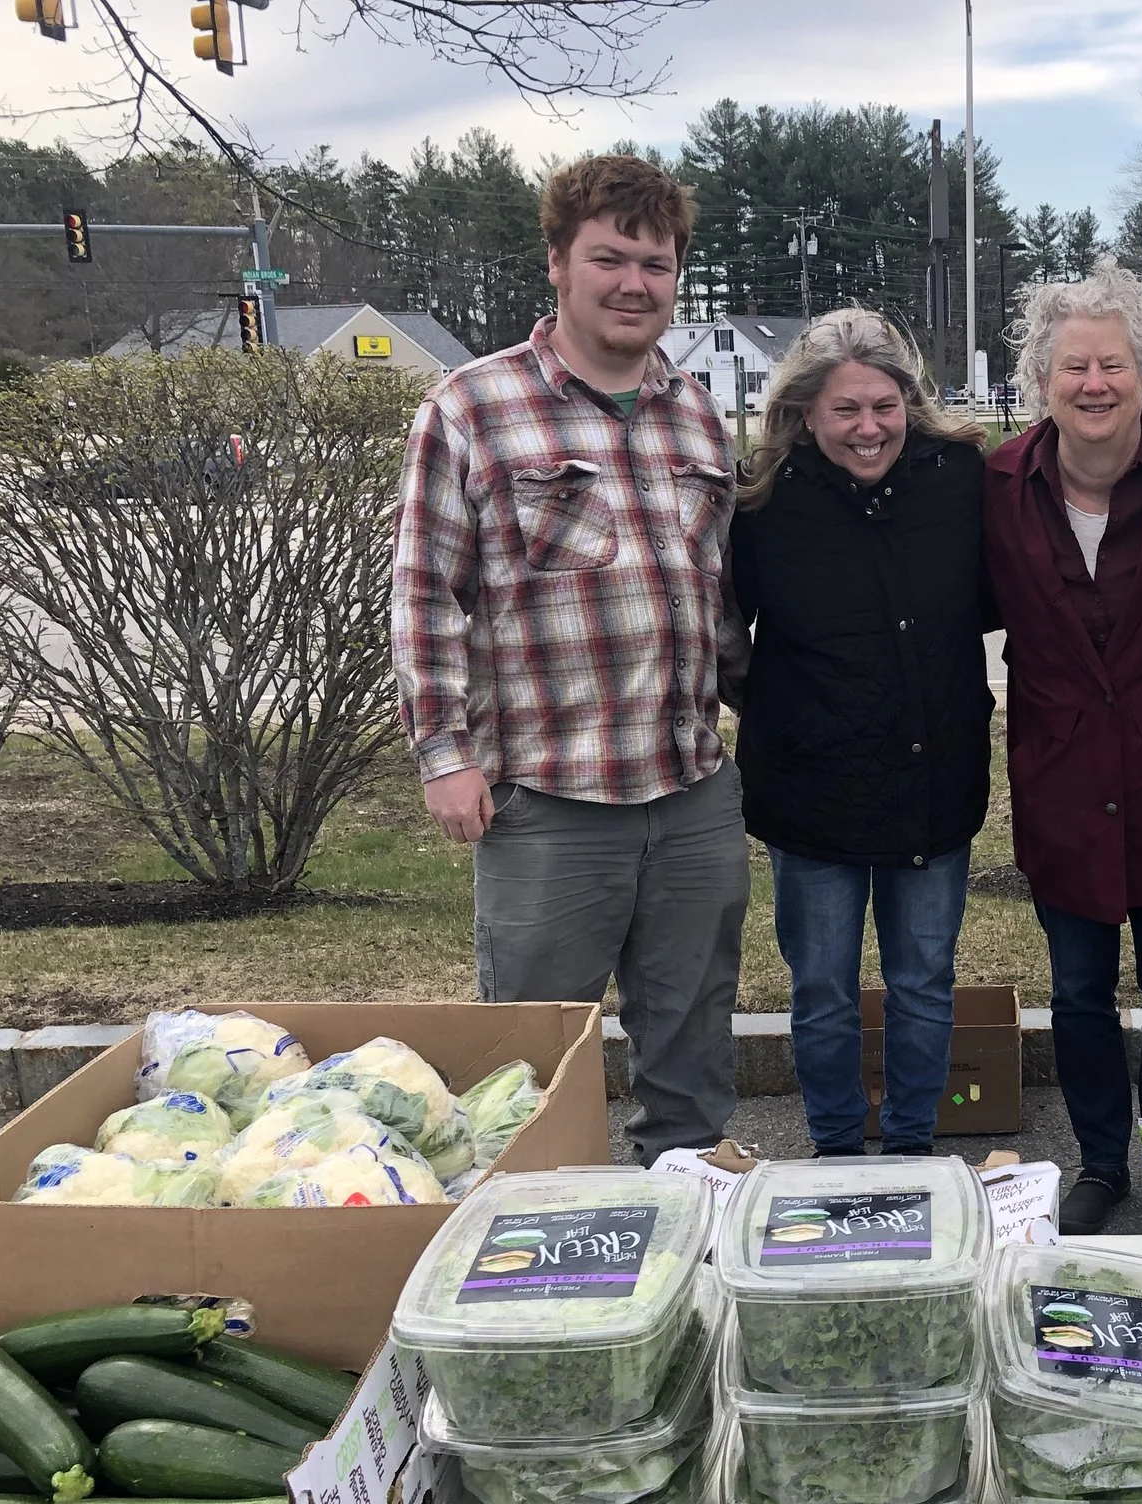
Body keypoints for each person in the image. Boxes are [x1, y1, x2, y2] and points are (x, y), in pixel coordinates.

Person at [392, 153, 746, 1164]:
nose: (636, 283)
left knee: (693, 1039)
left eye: (658, 263)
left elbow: (717, 595)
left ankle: (685, 1209)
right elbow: (423, 591)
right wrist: (443, 755)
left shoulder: (694, 410)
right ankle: (536, 1242)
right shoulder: (472, 406)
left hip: (690, 792)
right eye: (611, 258)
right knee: (532, 1059)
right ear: (557, 262)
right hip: (549, 800)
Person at [985, 262, 1142, 1234]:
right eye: (1072, 366)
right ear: (1040, 379)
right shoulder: (1000, 485)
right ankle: (1099, 1162)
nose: (1093, 383)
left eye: (1113, 364)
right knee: (1079, 994)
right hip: (1061, 785)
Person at [727, 310, 991, 1158]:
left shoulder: (960, 479)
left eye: (884, 405)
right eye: (846, 410)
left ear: (909, 402)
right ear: (806, 413)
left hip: (933, 780)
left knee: (922, 983)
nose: (869, 427)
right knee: (824, 992)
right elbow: (730, 638)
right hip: (812, 790)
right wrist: (780, 716)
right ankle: (835, 1151)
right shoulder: (765, 502)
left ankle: (912, 1147)